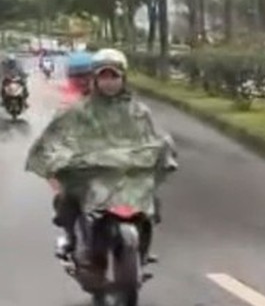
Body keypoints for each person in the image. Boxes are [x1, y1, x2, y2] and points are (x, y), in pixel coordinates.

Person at [25, 48, 175, 261]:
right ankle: (71, 238)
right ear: (94, 79)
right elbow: (55, 139)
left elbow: (155, 137)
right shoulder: (77, 111)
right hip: (90, 174)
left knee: (151, 198)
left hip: (128, 174)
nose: (109, 82)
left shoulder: (139, 111)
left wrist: (162, 148)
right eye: (103, 76)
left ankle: (143, 245)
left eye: (114, 76)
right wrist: (61, 159)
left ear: (123, 78)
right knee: (66, 199)